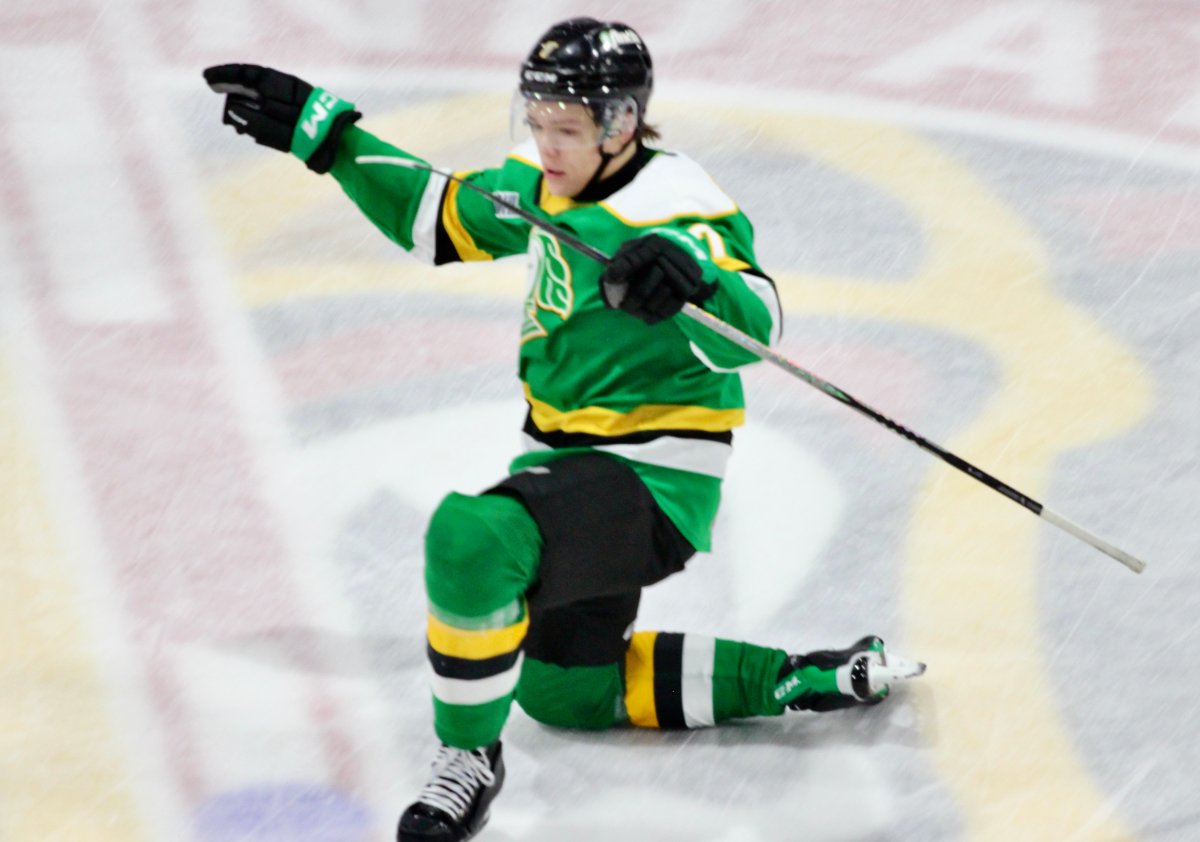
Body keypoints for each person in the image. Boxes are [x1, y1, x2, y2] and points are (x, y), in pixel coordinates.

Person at [205, 17, 924, 842]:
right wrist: (327, 136)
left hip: (654, 481)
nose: (547, 145)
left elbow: (759, 321)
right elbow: (436, 216)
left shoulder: (679, 208)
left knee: (472, 538)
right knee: (563, 694)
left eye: (567, 129)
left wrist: (690, 288)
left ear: (621, 124)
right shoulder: (549, 184)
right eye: (537, 121)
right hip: (568, 467)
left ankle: (468, 761)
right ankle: (798, 680)